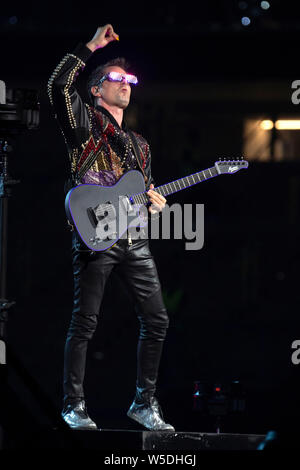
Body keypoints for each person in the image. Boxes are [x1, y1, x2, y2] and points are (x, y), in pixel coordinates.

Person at [47, 24, 175, 431]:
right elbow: (57, 88)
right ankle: (74, 406)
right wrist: (89, 47)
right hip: (96, 234)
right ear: (97, 89)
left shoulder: (139, 144)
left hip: (133, 238)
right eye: (116, 79)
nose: (126, 84)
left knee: (157, 320)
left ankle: (144, 403)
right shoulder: (83, 125)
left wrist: (154, 205)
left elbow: (142, 193)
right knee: (85, 321)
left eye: (130, 80)